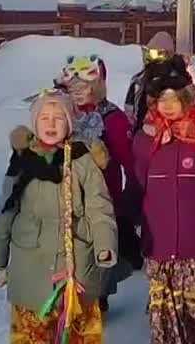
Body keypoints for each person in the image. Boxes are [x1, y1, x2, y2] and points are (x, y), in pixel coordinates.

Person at [0, 91, 118, 344]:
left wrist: (104, 245)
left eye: (58, 117)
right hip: (30, 266)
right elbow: (6, 209)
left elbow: (99, 207)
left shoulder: (82, 159)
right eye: (44, 117)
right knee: (32, 334)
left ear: (69, 122)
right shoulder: (23, 161)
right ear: (35, 123)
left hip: (76, 266)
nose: (51, 123)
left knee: (79, 334)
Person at [133, 55, 195, 343]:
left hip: (193, 238)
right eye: (161, 99)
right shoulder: (146, 139)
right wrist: (131, 221)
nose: (167, 105)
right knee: (162, 307)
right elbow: (138, 183)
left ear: (186, 99)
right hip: (158, 241)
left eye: (173, 98)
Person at [56, 55, 142, 300]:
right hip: (66, 194)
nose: (78, 93)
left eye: (84, 87)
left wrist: (132, 198)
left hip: (101, 196)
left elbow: (129, 161)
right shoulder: (62, 113)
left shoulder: (111, 118)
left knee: (95, 249)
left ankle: (97, 296)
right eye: (73, 88)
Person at [126, 31, 176, 133]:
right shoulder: (139, 79)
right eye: (151, 53)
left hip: (166, 133)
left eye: (159, 54)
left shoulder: (176, 80)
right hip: (141, 132)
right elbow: (131, 107)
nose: (153, 58)